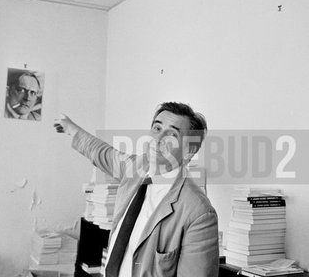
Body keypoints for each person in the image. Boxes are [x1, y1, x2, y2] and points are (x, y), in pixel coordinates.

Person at [54, 102, 219, 277]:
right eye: (157, 128)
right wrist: (71, 129)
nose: (159, 138)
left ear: (189, 150)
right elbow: (103, 153)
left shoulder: (199, 213)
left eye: (171, 134)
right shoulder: (136, 169)